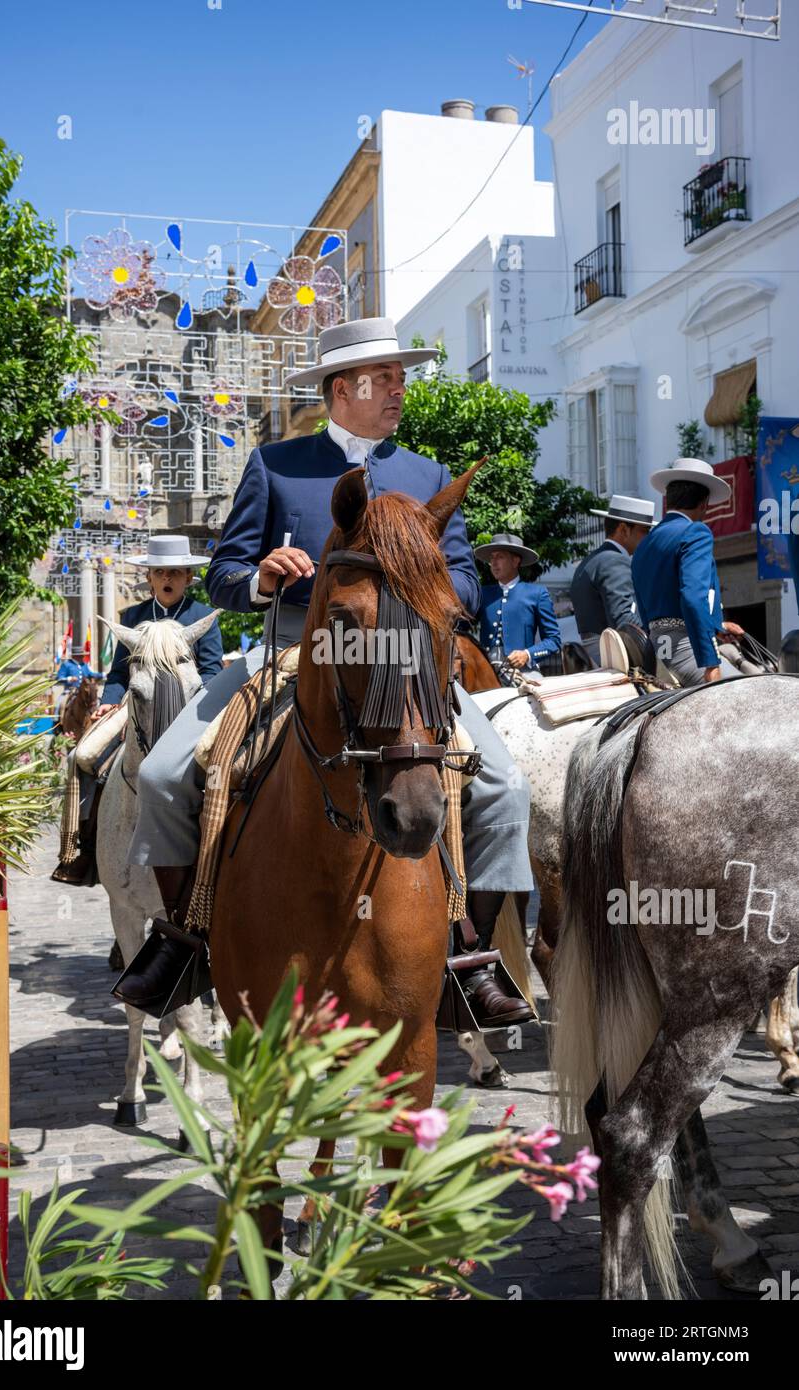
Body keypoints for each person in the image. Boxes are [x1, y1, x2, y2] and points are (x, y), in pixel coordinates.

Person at [125, 316, 536, 1029]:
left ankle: (466, 954)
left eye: (404, 378)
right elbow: (222, 575)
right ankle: (187, 940)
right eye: (390, 379)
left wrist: (425, 580)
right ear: (343, 387)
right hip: (289, 656)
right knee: (164, 778)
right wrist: (259, 577)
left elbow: (466, 584)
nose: (401, 392)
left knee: (505, 787)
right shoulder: (275, 465)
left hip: (406, 665)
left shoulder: (429, 477)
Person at [51, 536, 223, 885]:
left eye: (175, 571)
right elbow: (117, 673)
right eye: (160, 571)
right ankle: (81, 848)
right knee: (81, 756)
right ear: (149, 577)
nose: (167, 578)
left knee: (222, 767)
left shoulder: (203, 618)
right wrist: (110, 701)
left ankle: (218, 847)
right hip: (136, 702)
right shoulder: (132, 617)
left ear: (189, 577)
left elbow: (212, 671)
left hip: (188, 711)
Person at [631, 459, 744, 686]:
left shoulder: (645, 543)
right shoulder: (696, 532)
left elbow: (647, 608)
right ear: (704, 503)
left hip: (658, 649)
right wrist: (711, 663)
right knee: (758, 695)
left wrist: (715, 626)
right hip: (688, 647)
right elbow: (693, 598)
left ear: (669, 498)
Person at [570, 494, 655, 664]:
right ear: (624, 529)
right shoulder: (614, 560)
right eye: (644, 531)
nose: (648, 538)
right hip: (613, 656)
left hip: (594, 652)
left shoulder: (591, 560)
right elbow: (625, 621)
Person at [476, 533, 561, 675]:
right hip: (486, 673)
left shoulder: (536, 593)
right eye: (492, 557)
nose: (494, 563)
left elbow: (554, 641)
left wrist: (527, 654)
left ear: (515, 561)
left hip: (524, 672)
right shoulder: (482, 594)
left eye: (500, 557)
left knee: (536, 696)